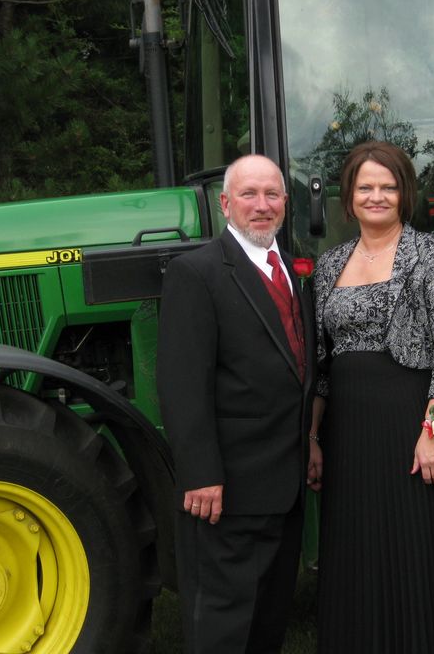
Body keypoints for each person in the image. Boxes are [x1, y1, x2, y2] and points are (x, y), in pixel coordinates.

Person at [157, 154, 321, 654]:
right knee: (224, 621)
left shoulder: (294, 272)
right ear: (225, 204)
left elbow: (299, 372)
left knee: (270, 616)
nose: (261, 205)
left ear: (286, 204)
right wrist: (201, 472)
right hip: (226, 486)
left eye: (272, 195)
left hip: (284, 482)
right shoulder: (197, 273)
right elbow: (181, 382)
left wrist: (308, 443)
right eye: (248, 195)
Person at [311, 140, 434, 654]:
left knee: (408, 548)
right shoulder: (329, 264)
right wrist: (313, 437)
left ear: (405, 193)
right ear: (348, 197)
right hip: (347, 432)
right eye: (365, 187)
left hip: (410, 423)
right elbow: (321, 366)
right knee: (355, 549)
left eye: (388, 186)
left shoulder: (432, 254)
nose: (376, 196)